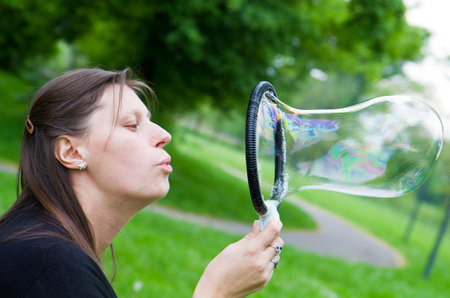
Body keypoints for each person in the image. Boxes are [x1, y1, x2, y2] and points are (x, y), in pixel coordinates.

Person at [0, 68, 283, 297]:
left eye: (149, 121)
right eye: (131, 125)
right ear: (71, 153)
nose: (164, 134)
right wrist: (217, 291)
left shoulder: (42, 251)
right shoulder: (52, 268)